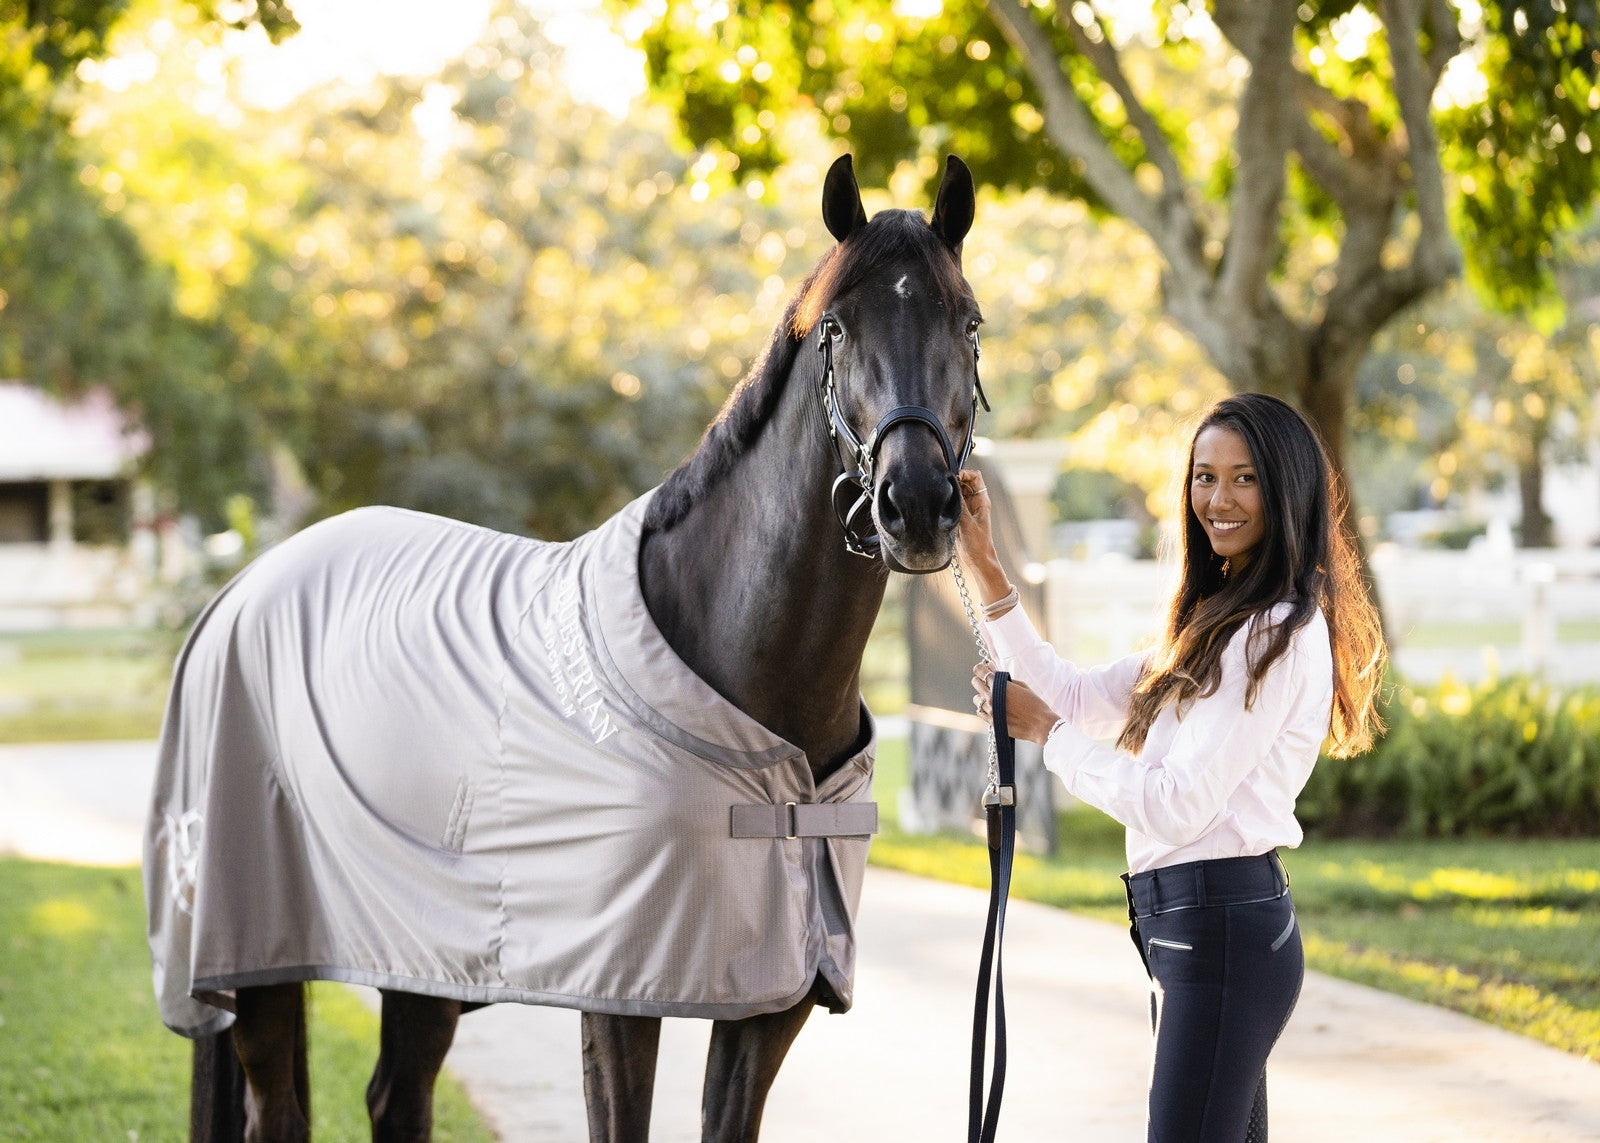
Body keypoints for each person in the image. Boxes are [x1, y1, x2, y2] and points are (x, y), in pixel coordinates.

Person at [956, 392, 1387, 1143]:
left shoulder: (1274, 631)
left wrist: (1049, 737)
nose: (1218, 498)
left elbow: (1174, 803)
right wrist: (986, 566)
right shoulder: (1214, 620)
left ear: (1286, 490)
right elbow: (1079, 695)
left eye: (1244, 478)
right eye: (1205, 475)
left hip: (1220, 931)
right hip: (1196, 930)